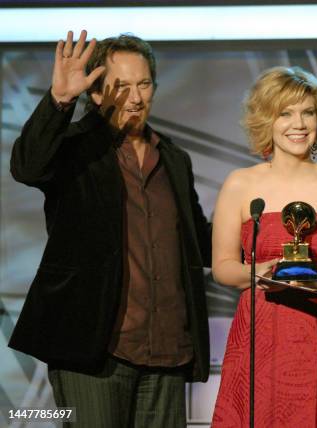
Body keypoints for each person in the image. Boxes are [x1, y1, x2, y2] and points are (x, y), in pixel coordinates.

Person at [9, 30, 211, 427]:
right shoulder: (73, 147)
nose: (135, 98)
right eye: (121, 86)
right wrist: (59, 101)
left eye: (144, 84)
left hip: (168, 351)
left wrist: (270, 236)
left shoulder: (174, 158)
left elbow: (197, 241)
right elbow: (26, 166)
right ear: (97, 93)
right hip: (94, 349)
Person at [211, 66, 317, 426]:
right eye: (285, 113)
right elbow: (223, 266)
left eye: (307, 112)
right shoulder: (240, 185)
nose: (298, 124)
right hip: (260, 333)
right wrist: (263, 271)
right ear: (266, 119)